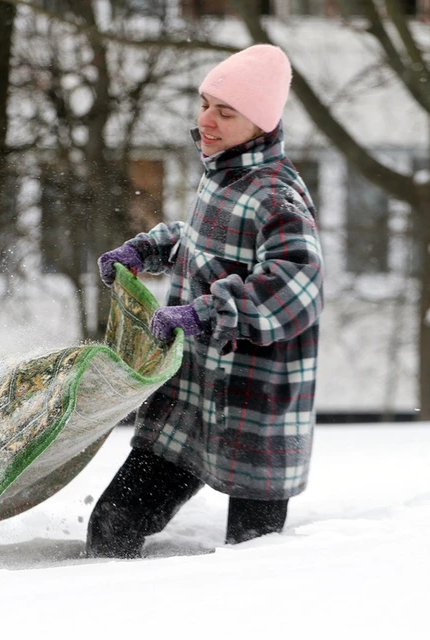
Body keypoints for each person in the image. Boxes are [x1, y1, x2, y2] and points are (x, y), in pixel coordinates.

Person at [88, 44, 324, 558]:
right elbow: (200, 241)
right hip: (191, 399)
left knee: (254, 558)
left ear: (259, 122)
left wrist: (208, 313)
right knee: (111, 527)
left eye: (225, 110)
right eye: (204, 103)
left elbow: (295, 283)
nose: (206, 119)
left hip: (251, 406)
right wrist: (147, 249)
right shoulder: (223, 175)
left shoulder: (276, 195)